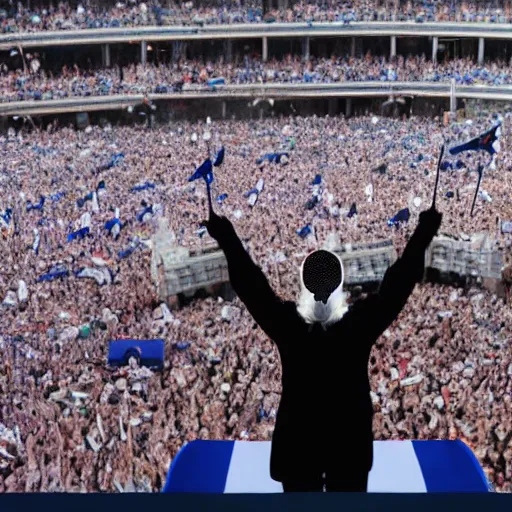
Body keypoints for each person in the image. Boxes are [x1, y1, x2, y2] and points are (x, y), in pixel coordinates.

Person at [201, 205, 442, 492]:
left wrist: (227, 238)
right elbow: (397, 287)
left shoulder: (289, 326)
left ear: (303, 285)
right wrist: (423, 234)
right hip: (349, 449)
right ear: (340, 285)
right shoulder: (357, 327)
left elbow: (252, 286)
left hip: (298, 451)